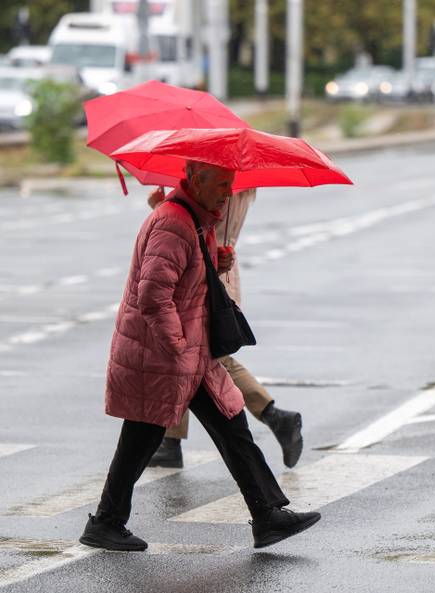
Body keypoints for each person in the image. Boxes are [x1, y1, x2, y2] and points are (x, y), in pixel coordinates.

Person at [79, 162, 320, 552]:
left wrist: (215, 263)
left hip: (192, 353)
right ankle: (105, 521)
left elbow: (184, 283)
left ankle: (267, 515)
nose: (229, 192)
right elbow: (153, 295)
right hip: (167, 353)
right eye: (223, 184)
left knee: (231, 425)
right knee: (142, 437)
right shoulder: (174, 222)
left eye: (231, 185)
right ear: (197, 180)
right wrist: (176, 347)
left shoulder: (195, 220)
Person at [145, 187, 303, 470]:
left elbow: (192, 226)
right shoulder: (241, 181)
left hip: (207, 273)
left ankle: (273, 415)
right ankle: (171, 441)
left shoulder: (217, 183)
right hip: (222, 270)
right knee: (187, 358)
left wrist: (160, 207)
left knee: (194, 357)